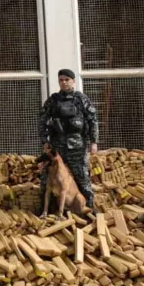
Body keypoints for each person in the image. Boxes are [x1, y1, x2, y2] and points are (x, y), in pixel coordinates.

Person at [38, 69, 99, 213]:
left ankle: (89, 208)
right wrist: (44, 141)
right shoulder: (53, 100)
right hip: (57, 147)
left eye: (67, 79)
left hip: (78, 146)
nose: (64, 82)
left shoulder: (81, 99)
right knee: (47, 178)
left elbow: (92, 121)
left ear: (73, 81)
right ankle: (45, 209)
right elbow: (42, 121)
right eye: (61, 80)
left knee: (82, 177)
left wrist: (94, 141)